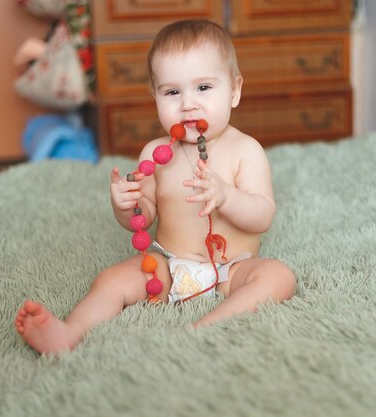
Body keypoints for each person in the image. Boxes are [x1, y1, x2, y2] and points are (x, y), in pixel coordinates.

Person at [15, 19, 297, 354]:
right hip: (168, 267)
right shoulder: (155, 154)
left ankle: (209, 325)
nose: (188, 104)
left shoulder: (245, 151)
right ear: (155, 96)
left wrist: (227, 196)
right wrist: (127, 204)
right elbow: (143, 216)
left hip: (230, 269)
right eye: (172, 92)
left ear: (234, 91)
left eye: (204, 88)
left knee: (279, 277)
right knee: (113, 278)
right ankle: (68, 332)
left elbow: (262, 215)